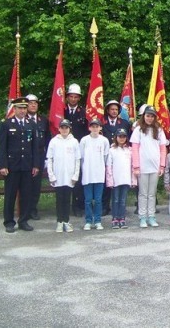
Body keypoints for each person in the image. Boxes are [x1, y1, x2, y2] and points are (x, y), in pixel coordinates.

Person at [0, 97, 40, 233]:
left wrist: (36, 165)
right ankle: (9, 222)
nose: (22, 111)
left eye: (24, 108)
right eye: (19, 108)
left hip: (27, 166)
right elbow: (2, 147)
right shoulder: (6, 124)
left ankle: (23, 221)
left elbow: (35, 147)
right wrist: (3, 165)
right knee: (10, 195)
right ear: (14, 109)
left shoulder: (31, 124)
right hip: (12, 166)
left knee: (26, 195)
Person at [131, 106, 169, 228]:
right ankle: (142, 217)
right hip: (142, 167)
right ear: (144, 116)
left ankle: (151, 216)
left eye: (152, 116)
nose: (149, 118)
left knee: (152, 193)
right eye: (148, 115)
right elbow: (135, 149)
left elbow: (163, 149)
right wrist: (136, 166)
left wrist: (162, 165)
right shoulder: (138, 130)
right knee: (143, 193)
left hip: (155, 166)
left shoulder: (159, 130)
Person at [47, 119, 81, 232]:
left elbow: (77, 160)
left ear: (69, 128)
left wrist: (76, 175)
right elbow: (49, 159)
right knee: (59, 200)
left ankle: (66, 221)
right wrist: (51, 175)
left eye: (66, 127)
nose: (64, 130)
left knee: (67, 200)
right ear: (59, 129)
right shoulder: (54, 141)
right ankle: (59, 222)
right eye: (62, 127)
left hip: (69, 177)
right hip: (58, 176)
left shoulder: (74, 141)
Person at [101, 100, 131, 217]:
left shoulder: (124, 123)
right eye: (112, 109)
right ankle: (105, 206)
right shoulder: (102, 123)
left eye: (116, 109)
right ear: (107, 110)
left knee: (119, 181)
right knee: (107, 182)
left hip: (120, 156)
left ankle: (120, 208)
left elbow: (127, 139)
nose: (114, 111)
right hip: (106, 155)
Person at [24, 94, 51, 220]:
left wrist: (46, 158)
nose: (33, 105)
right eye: (30, 103)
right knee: (25, 184)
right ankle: (25, 210)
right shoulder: (22, 119)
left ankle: (33, 209)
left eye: (35, 103)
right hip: (25, 157)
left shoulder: (43, 120)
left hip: (39, 157)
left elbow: (47, 140)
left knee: (36, 185)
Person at [80, 118, 110, 230]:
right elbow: (81, 157)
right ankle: (88, 221)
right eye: (93, 126)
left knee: (98, 200)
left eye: (97, 126)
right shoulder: (84, 140)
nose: (95, 128)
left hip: (99, 175)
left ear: (100, 128)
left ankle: (97, 221)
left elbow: (106, 157)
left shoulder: (104, 140)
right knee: (88, 200)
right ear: (89, 128)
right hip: (87, 174)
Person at [64, 83, 89, 217]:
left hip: (78, 149)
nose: (73, 99)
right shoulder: (61, 111)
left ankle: (78, 205)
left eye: (76, 97)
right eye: (71, 96)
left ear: (79, 98)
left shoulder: (83, 112)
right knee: (65, 177)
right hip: (64, 149)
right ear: (67, 97)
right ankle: (64, 206)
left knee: (78, 178)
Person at [106, 128, 135, 229]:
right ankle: (115, 218)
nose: (122, 138)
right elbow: (109, 166)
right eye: (120, 136)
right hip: (115, 179)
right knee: (115, 200)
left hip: (126, 179)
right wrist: (110, 180)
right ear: (116, 137)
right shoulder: (112, 150)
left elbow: (132, 166)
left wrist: (133, 179)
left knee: (123, 200)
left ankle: (122, 218)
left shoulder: (129, 150)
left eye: (124, 136)